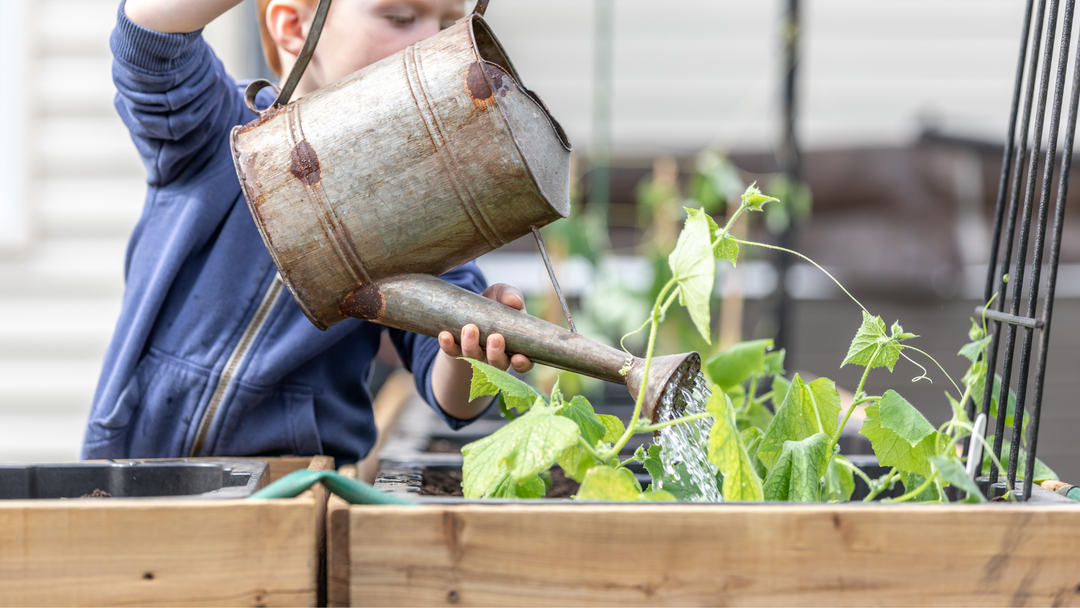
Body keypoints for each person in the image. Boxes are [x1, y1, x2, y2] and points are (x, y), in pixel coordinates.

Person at [82, 0, 533, 464]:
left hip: (293, 494)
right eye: (400, 18)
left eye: (447, 25)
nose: (433, 42)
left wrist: (473, 351)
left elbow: (453, 400)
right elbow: (148, 31)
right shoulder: (217, 128)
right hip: (132, 471)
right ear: (294, 25)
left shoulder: (423, 204)